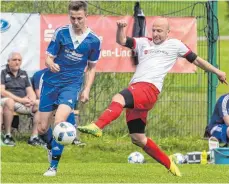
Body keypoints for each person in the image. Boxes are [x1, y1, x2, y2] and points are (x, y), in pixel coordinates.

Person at [78, 18, 228, 177]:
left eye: (159, 31)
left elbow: (197, 60)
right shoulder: (143, 42)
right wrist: (121, 28)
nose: (155, 34)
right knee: (137, 138)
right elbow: (121, 40)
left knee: (119, 98)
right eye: (154, 30)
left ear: (168, 32)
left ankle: (98, 126)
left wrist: (217, 72)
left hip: (148, 89)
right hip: (139, 91)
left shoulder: (175, 45)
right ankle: (169, 163)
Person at [37, 1, 101, 176]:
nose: (76, 21)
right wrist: (50, 63)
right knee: (42, 128)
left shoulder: (93, 40)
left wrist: (86, 89)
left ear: (86, 16)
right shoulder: (61, 33)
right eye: (72, 18)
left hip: (71, 85)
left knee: (59, 123)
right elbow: (48, 57)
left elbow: (92, 67)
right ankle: (50, 146)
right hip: (51, 83)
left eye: (79, 18)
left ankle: (53, 167)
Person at [0, 51, 46, 146]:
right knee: (10, 101)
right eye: (14, 60)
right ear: (8, 61)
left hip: (23, 103)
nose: (17, 62)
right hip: (7, 102)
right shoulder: (3, 73)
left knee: (40, 104)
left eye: (19, 60)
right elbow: (2, 91)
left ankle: (34, 137)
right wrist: (21, 100)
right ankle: (8, 135)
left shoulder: (24, 73)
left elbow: (30, 91)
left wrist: (31, 100)